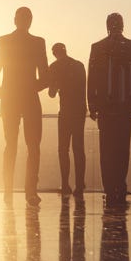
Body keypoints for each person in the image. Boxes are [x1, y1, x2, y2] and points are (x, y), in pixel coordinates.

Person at [0, 6, 48, 206]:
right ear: (29, 21)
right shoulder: (38, 43)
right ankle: (30, 192)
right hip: (29, 99)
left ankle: (8, 191)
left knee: (11, 145)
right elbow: (45, 77)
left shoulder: (3, 41)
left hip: (10, 99)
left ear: (15, 20)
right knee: (33, 147)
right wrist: (30, 88)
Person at [87, 13, 131, 201]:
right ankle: (119, 184)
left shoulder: (97, 48)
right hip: (125, 107)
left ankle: (110, 187)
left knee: (107, 148)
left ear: (107, 26)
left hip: (105, 107)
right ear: (122, 25)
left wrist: (92, 104)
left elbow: (92, 79)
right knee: (122, 147)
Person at [47, 42, 87, 197]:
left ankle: (65, 185)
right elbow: (83, 89)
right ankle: (79, 185)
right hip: (79, 111)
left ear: (54, 53)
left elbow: (51, 93)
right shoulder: (79, 65)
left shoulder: (54, 67)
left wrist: (56, 84)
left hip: (65, 112)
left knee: (63, 149)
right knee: (79, 148)